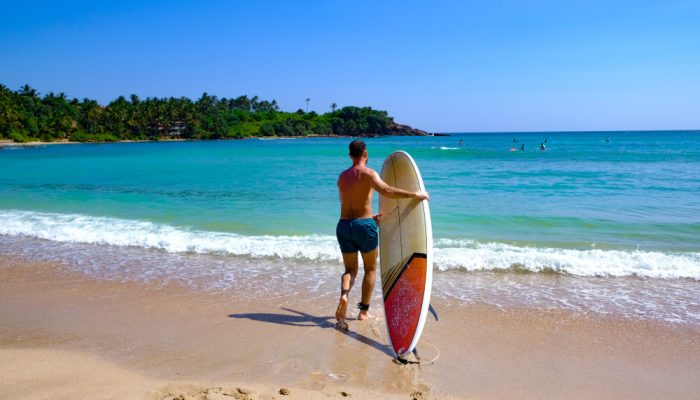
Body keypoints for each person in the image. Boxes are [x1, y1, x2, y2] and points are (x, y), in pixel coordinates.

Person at [335, 140, 429, 329]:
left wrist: (368, 217)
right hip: (365, 226)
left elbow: (353, 203)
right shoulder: (369, 174)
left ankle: (344, 294)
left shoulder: (342, 177)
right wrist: (414, 194)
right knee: (370, 269)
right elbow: (386, 191)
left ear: (350, 155)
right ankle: (363, 312)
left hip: (344, 225)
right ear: (366, 154)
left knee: (350, 270)